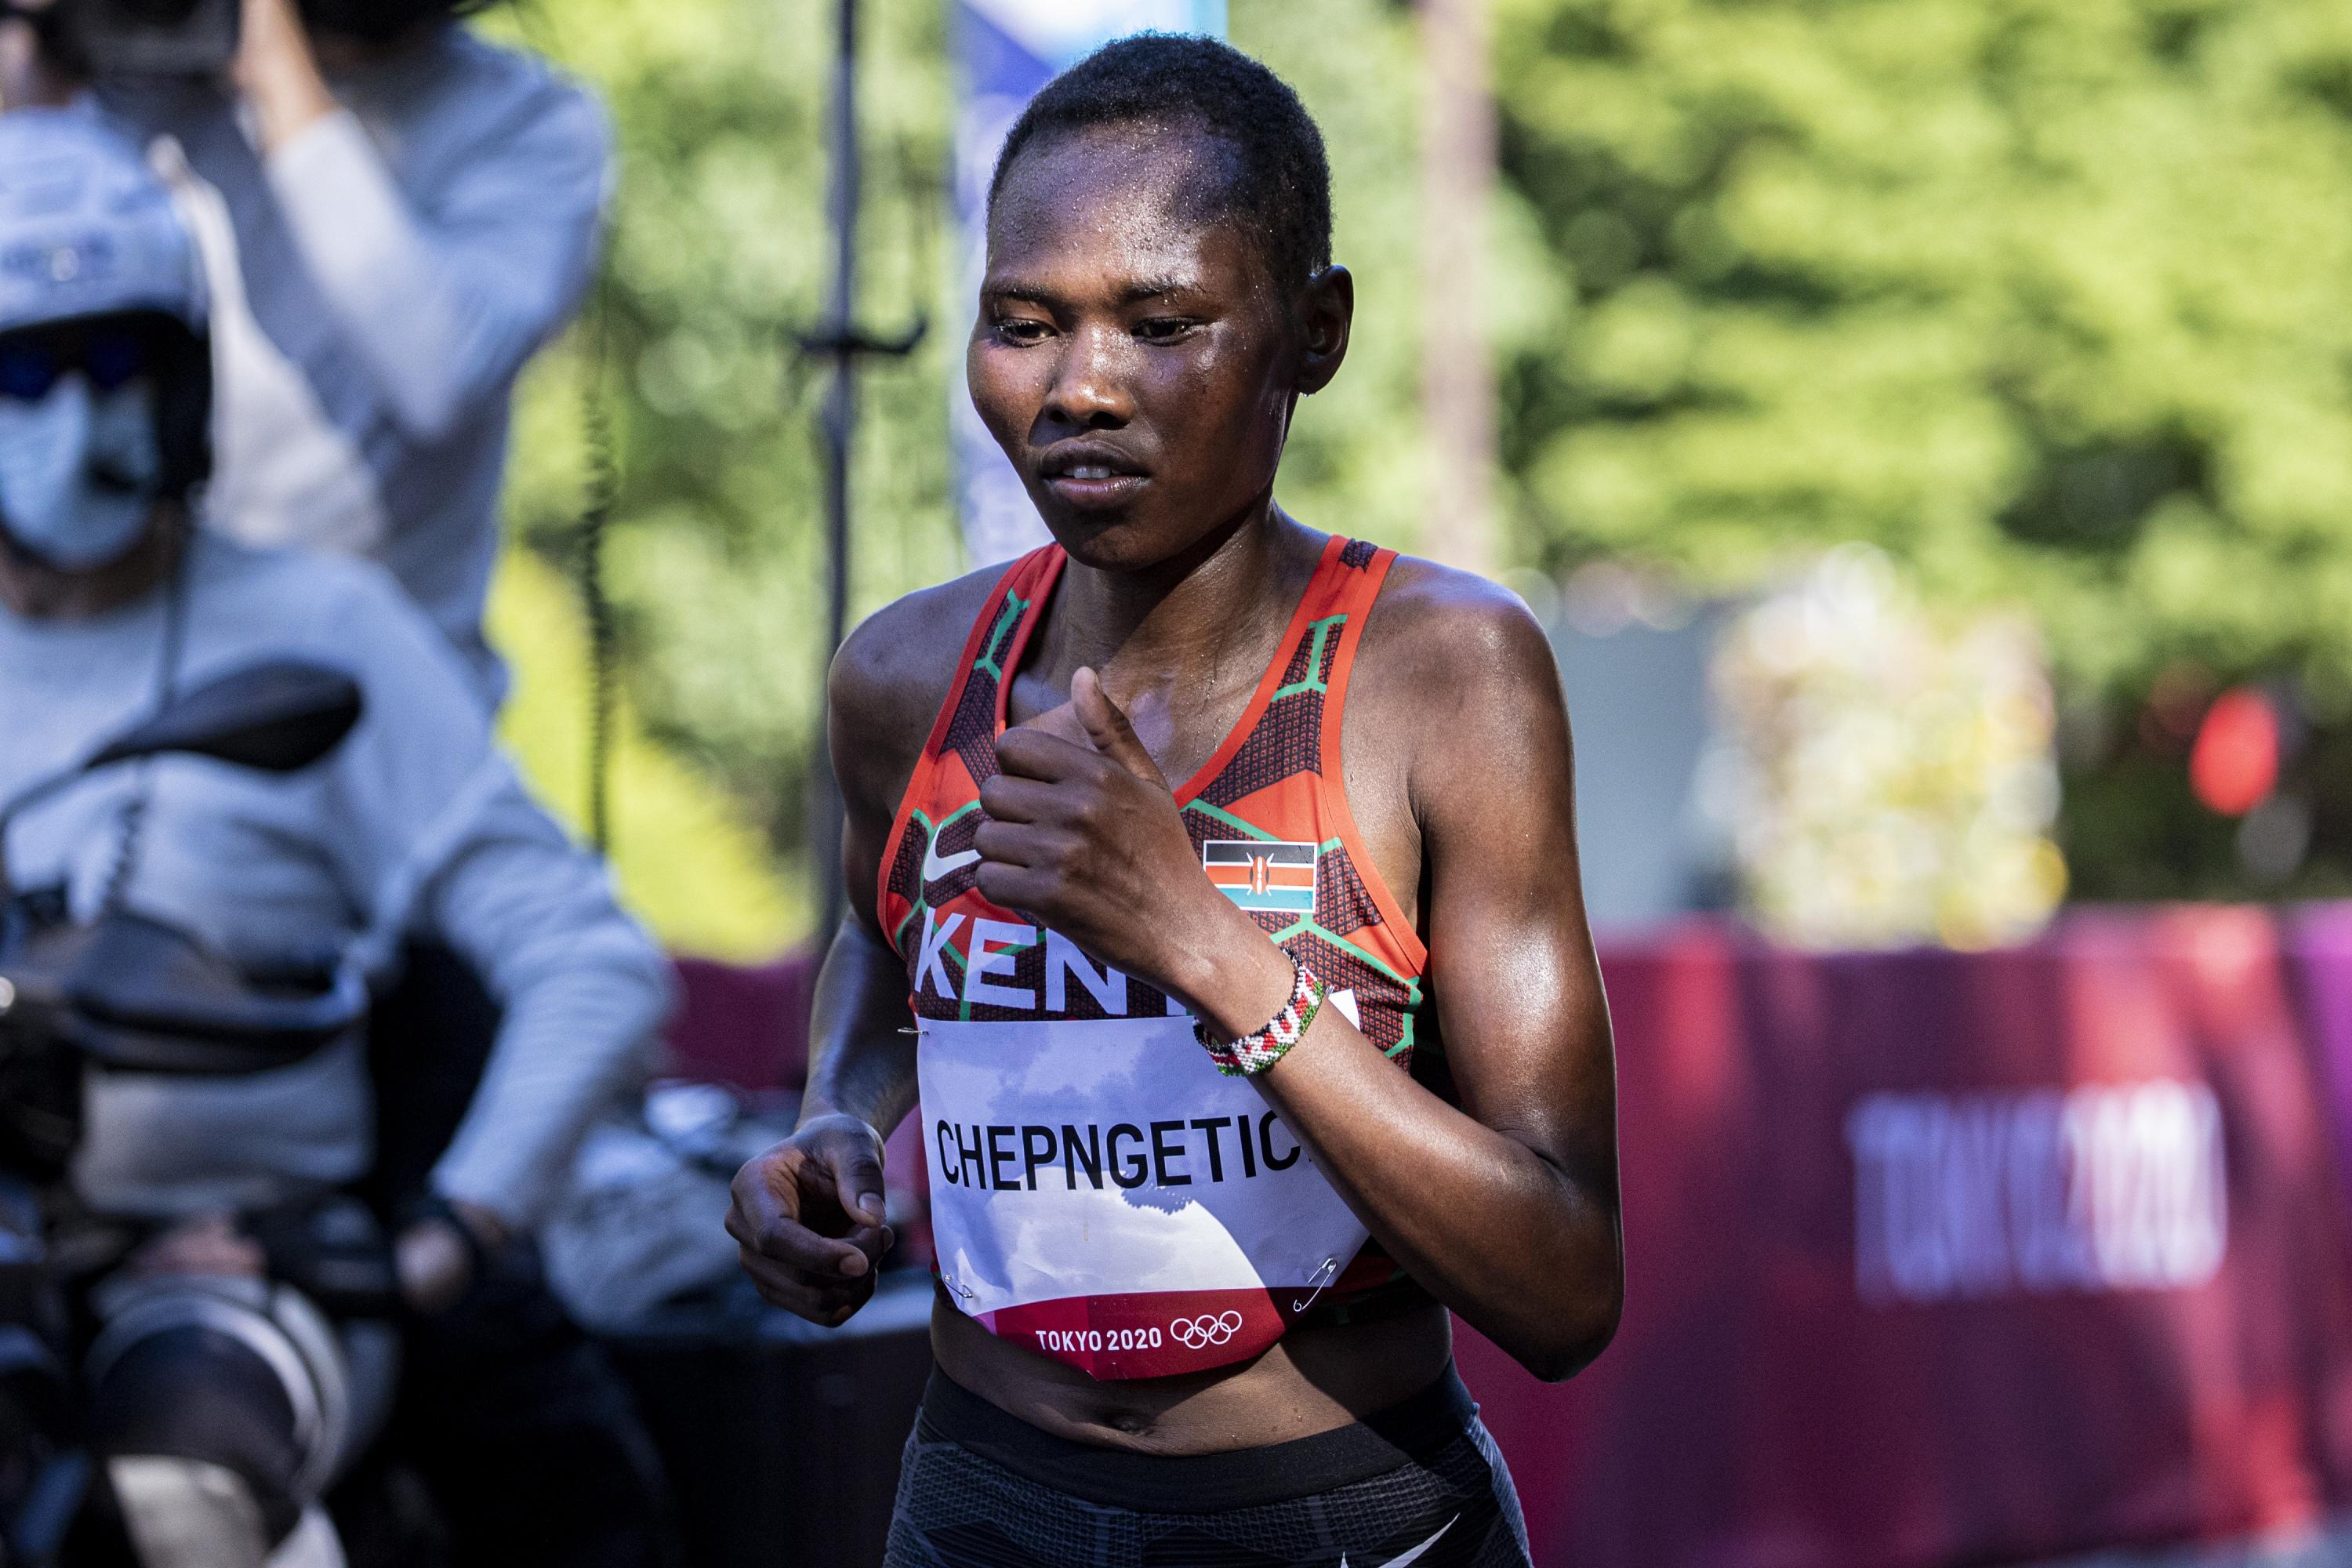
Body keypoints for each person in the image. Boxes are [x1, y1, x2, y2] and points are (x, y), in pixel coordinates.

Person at [728, 35, 1623, 1568]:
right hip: (976, 1503)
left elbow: (1564, 1287)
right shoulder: (904, 673)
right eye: (1024, 323)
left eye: (1161, 324)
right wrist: (835, 1122)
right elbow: (887, 946)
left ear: (1313, 332)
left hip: (1339, 1518)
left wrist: (1209, 947)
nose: (1080, 387)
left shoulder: (1441, 677)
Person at [0, 111, 665, 1567]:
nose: (66, 412)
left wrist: (439, 1245)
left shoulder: (314, 631)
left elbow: (588, 961)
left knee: (175, 1490)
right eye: (19, 368)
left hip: (236, 1283)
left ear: (182, 387)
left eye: (111, 361)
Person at [2, 0, 611, 707]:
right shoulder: (141, 67)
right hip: (119, 676)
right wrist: (36, 83)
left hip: (378, 697)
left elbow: (441, 371)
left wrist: (276, 70)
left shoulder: (532, 123)